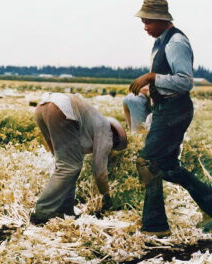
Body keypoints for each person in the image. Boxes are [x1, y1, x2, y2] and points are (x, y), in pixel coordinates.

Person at [130, 0, 212, 237]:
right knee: (167, 168)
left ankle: (156, 227)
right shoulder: (160, 42)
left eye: (147, 21)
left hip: (175, 109)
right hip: (166, 109)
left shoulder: (176, 43)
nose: (144, 26)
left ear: (162, 19)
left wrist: (152, 77)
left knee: (147, 162)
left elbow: (185, 82)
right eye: (143, 21)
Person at [30, 92, 127, 225]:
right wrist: (107, 198)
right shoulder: (107, 131)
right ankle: (42, 212)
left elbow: (61, 158)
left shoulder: (91, 123)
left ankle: (65, 210)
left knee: (68, 166)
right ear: (115, 138)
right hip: (62, 108)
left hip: (42, 107)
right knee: (70, 166)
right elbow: (100, 173)